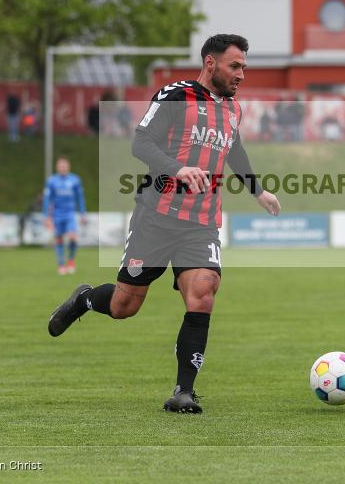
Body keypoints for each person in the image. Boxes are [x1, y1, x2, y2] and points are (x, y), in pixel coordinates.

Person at [47, 34, 281, 414]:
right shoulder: (175, 96)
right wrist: (179, 169)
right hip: (156, 217)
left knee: (203, 290)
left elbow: (233, 149)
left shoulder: (233, 109)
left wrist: (258, 191)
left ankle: (183, 392)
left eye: (244, 68)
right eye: (235, 66)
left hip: (201, 222)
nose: (241, 75)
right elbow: (141, 143)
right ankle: (85, 298)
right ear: (210, 63)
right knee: (125, 306)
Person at [43, 156, 87, 275]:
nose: (62, 168)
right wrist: (46, 216)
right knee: (59, 238)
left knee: (73, 237)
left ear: (68, 167)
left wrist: (83, 213)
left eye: (64, 166)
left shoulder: (75, 180)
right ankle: (61, 264)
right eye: (60, 166)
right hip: (57, 214)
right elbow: (47, 199)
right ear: (57, 167)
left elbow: (80, 198)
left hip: (70, 214)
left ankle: (71, 260)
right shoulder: (52, 181)